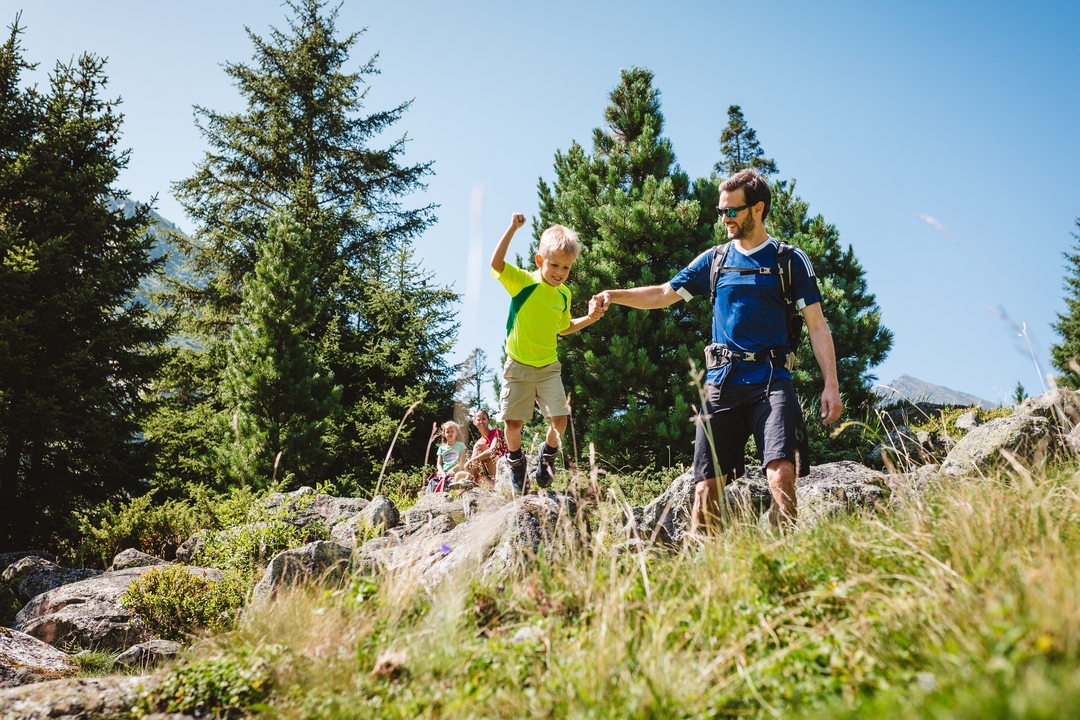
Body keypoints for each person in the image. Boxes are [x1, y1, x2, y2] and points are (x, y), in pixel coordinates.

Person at [593, 169, 842, 532]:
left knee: (782, 475)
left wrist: (831, 384)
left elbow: (817, 326)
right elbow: (663, 294)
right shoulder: (715, 259)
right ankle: (707, 560)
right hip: (722, 384)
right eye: (721, 210)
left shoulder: (789, 260)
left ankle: (782, 553)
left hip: (772, 381)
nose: (724, 218)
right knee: (705, 491)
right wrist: (613, 295)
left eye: (732, 210)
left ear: (757, 208)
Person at [491, 212, 605, 494]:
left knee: (560, 421)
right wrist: (512, 228)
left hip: (548, 368)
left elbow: (564, 328)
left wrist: (591, 318)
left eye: (566, 267)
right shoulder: (524, 283)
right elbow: (496, 264)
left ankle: (547, 456)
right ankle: (517, 462)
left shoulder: (563, 295)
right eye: (554, 264)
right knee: (513, 423)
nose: (559, 272)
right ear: (539, 260)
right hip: (518, 365)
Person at [460, 409, 506, 487]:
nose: (481, 421)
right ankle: (466, 485)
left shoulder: (496, 432)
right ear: (474, 422)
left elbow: (492, 451)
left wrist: (472, 460)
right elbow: (476, 466)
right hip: (488, 474)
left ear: (488, 421)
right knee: (458, 475)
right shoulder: (479, 441)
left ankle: (467, 480)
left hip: (501, 470)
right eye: (478, 419)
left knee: (479, 446)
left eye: (484, 419)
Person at [429, 421, 468, 493]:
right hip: (443, 474)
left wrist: (452, 470)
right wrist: (443, 474)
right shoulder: (441, 448)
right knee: (432, 482)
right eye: (448, 432)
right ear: (444, 434)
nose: (450, 433)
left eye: (452, 431)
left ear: (456, 433)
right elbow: (439, 464)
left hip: (455, 474)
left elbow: (462, 462)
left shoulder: (461, 445)